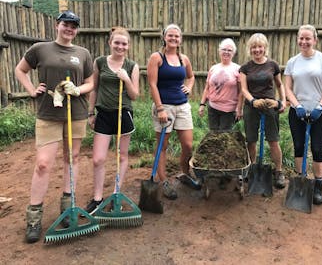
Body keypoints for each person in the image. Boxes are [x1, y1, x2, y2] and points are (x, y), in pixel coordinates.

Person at [14, 10, 93, 243]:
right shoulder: (40, 49)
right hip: (48, 113)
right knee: (43, 164)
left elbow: (90, 83)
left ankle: (68, 207)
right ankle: (34, 217)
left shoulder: (83, 53)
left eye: (74, 26)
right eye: (66, 24)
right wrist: (31, 91)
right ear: (57, 25)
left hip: (76, 113)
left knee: (73, 157)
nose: (70, 29)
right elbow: (20, 70)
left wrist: (78, 90)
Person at [84, 27, 140, 214]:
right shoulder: (100, 62)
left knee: (122, 156)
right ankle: (98, 198)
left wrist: (126, 79)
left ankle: (116, 193)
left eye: (124, 44)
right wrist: (90, 113)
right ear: (110, 43)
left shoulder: (132, 66)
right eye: (117, 42)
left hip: (123, 114)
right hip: (104, 114)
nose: (120, 46)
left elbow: (134, 95)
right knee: (98, 159)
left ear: (128, 46)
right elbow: (94, 88)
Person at [147, 23, 199, 200]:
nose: (173, 39)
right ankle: (164, 182)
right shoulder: (157, 57)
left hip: (183, 106)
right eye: (170, 35)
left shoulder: (184, 59)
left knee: (188, 145)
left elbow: (191, 77)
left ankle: (185, 174)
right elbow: (152, 84)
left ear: (181, 39)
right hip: (164, 107)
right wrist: (160, 108)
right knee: (163, 146)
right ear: (164, 37)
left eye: (177, 36)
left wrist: (189, 87)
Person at [284, 24, 322, 205]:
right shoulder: (292, 62)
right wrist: (297, 106)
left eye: (308, 38)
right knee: (298, 145)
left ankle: (318, 185)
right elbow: (288, 88)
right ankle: (301, 180)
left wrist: (320, 106)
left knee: (317, 148)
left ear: (315, 40)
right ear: (298, 39)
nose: (304, 42)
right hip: (297, 112)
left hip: (320, 113)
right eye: (301, 38)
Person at [239, 33, 286, 190]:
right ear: (249, 49)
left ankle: (278, 171)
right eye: (254, 47)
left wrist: (282, 102)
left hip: (269, 105)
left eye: (260, 46)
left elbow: (280, 85)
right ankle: (252, 168)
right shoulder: (245, 68)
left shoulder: (273, 65)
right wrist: (253, 101)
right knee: (251, 140)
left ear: (265, 48)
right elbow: (243, 89)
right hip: (251, 107)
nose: (257, 50)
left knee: (273, 140)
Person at [198, 38, 243, 130]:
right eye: (224, 49)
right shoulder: (213, 68)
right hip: (213, 108)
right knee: (213, 135)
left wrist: (239, 108)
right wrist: (202, 104)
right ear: (219, 51)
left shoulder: (238, 69)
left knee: (223, 137)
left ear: (233, 53)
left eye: (229, 50)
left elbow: (241, 91)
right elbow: (207, 88)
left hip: (229, 110)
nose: (226, 52)